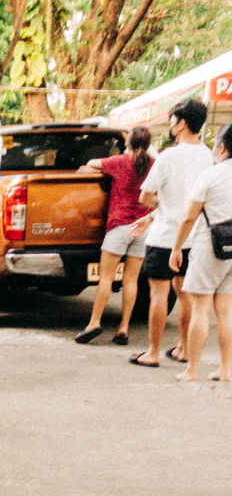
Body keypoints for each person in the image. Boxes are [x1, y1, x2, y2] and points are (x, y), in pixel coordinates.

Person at [129, 99, 214, 368]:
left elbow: (145, 196)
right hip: (193, 236)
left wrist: (159, 208)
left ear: (182, 123)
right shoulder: (209, 156)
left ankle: (153, 352)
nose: (170, 124)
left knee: (158, 294)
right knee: (184, 292)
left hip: (165, 237)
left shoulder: (167, 156)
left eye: (173, 120)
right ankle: (184, 348)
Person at [73, 127, 154, 345]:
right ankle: (123, 328)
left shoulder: (120, 162)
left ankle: (94, 323)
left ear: (128, 142)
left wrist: (85, 167)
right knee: (131, 280)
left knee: (106, 278)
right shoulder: (153, 164)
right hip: (142, 229)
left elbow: (92, 164)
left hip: (119, 226)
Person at [169, 122, 232, 383]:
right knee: (226, 312)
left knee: (201, 309)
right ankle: (226, 369)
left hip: (210, 247)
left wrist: (176, 248)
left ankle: (192, 369)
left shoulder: (211, 175)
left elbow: (188, 218)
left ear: (221, 148)